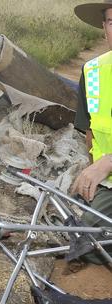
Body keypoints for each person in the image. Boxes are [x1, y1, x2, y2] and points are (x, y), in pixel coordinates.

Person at [72, 0, 112, 263]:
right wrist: (93, 176)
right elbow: (90, 134)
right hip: (110, 185)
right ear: (104, 27)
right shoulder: (93, 71)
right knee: (84, 242)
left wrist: (108, 162)